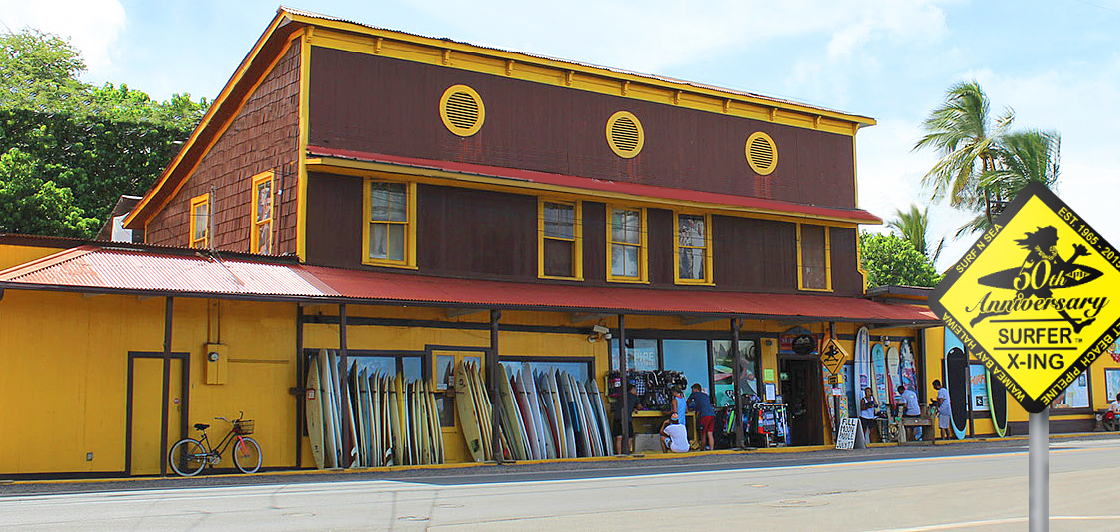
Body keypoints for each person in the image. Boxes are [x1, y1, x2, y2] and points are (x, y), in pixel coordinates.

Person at [687, 383, 716, 451]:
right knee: (710, 433)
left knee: (703, 433)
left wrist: (688, 409)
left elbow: (687, 402)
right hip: (712, 414)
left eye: (692, 390)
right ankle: (711, 449)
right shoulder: (705, 395)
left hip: (704, 415)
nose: (692, 391)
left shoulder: (694, 394)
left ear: (696, 389)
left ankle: (702, 449)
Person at [612, 386, 639, 455]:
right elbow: (639, 406)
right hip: (627, 418)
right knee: (629, 437)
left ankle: (619, 454)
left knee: (619, 437)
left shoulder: (621, 396)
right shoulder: (634, 397)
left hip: (617, 417)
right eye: (636, 390)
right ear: (633, 390)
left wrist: (633, 408)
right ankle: (627, 453)